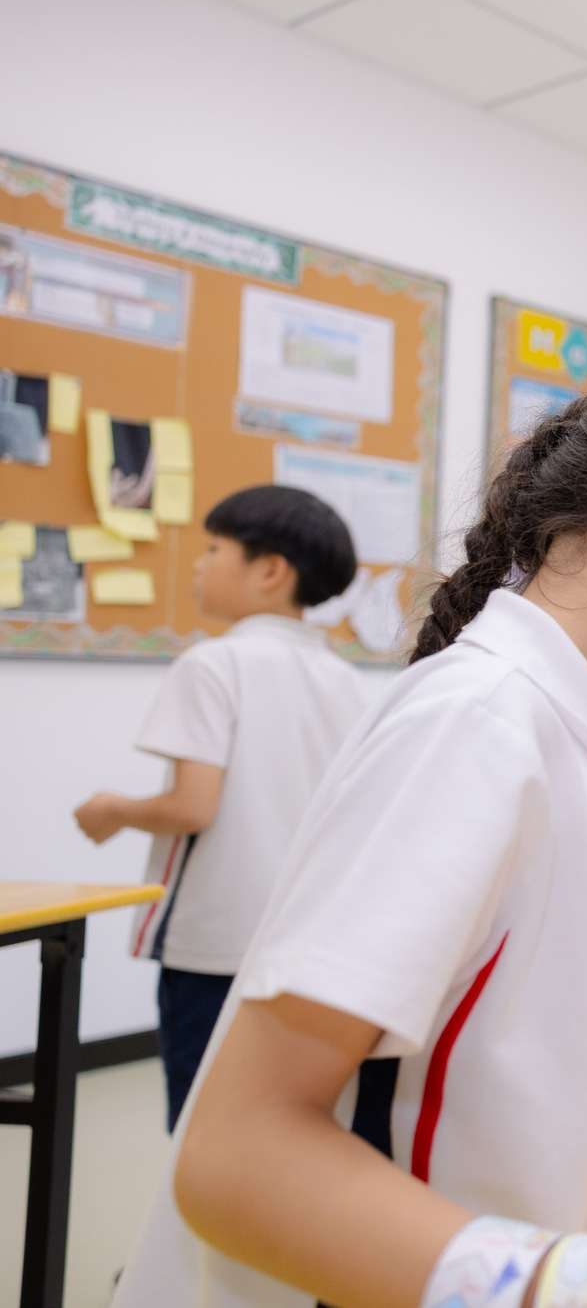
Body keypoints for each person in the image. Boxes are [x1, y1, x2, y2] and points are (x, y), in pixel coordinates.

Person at [113, 359, 587, 1308]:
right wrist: (579, 1282)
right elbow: (238, 1156)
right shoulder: (481, 724)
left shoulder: (578, 740)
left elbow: (500, 1063)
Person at [72, 484, 366, 1130]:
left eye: (213, 548)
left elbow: (191, 805)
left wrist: (112, 809)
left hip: (215, 939)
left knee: (201, 1122)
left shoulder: (212, 664)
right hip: (303, 938)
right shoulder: (344, 680)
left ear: (269, 570)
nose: (199, 563)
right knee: (282, 1122)